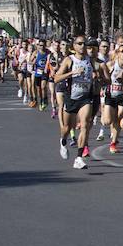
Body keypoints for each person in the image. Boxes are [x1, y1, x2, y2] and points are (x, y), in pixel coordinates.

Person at [53, 36, 97, 169]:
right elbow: (56, 78)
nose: (82, 46)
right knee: (66, 128)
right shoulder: (69, 60)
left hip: (85, 98)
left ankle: (78, 158)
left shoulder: (91, 60)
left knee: (85, 124)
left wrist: (97, 76)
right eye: (79, 44)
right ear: (74, 46)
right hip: (71, 97)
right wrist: (72, 73)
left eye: (84, 44)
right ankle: (63, 141)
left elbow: (99, 70)